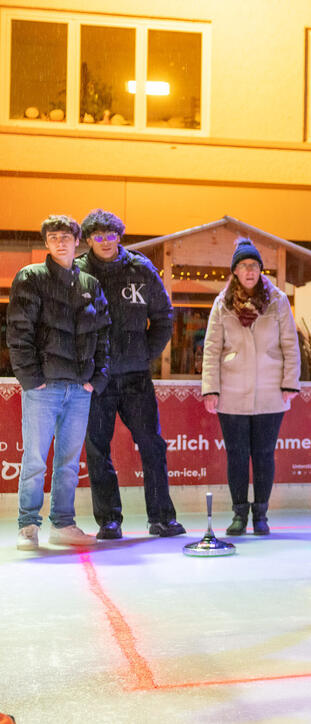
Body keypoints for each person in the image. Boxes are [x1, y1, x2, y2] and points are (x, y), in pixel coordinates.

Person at [75, 209, 184, 540]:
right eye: (98, 236)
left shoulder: (141, 269)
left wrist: (144, 354)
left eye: (111, 235)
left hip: (136, 377)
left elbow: (163, 318)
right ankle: (109, 520)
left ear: (119, 237)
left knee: (152, 446)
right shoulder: (77, 274)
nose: (105, 242)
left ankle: (161, 518)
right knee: (97, 449)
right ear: (89, 239)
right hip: (97, 380)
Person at [8, 215, 110, 550]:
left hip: (79, 388)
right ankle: (28, 525)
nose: (60, 242)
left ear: (78, 242)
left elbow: (102, 335)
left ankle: (63, 523)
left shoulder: (90, 284)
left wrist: (96, 378)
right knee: (35, 460)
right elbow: (18, 331)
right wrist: (31, 378)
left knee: (68, 461)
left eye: (66, 236)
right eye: (53, 237)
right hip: (44, 387)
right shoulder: (31, 277)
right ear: (47, 243)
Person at [201, 238, 301, 536]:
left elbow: (289, 344)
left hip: (271, 391)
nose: (249, 270)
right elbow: (211, 348)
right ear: (234, 271)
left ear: (260, 270)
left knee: (264, 454)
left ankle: (261, 514)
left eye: (254, 265)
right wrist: (211, 388)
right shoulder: (222, 303)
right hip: (231, 392)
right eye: (244, 265)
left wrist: (289, 383)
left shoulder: (277, 300)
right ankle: (239, 514)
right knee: (236, 454)